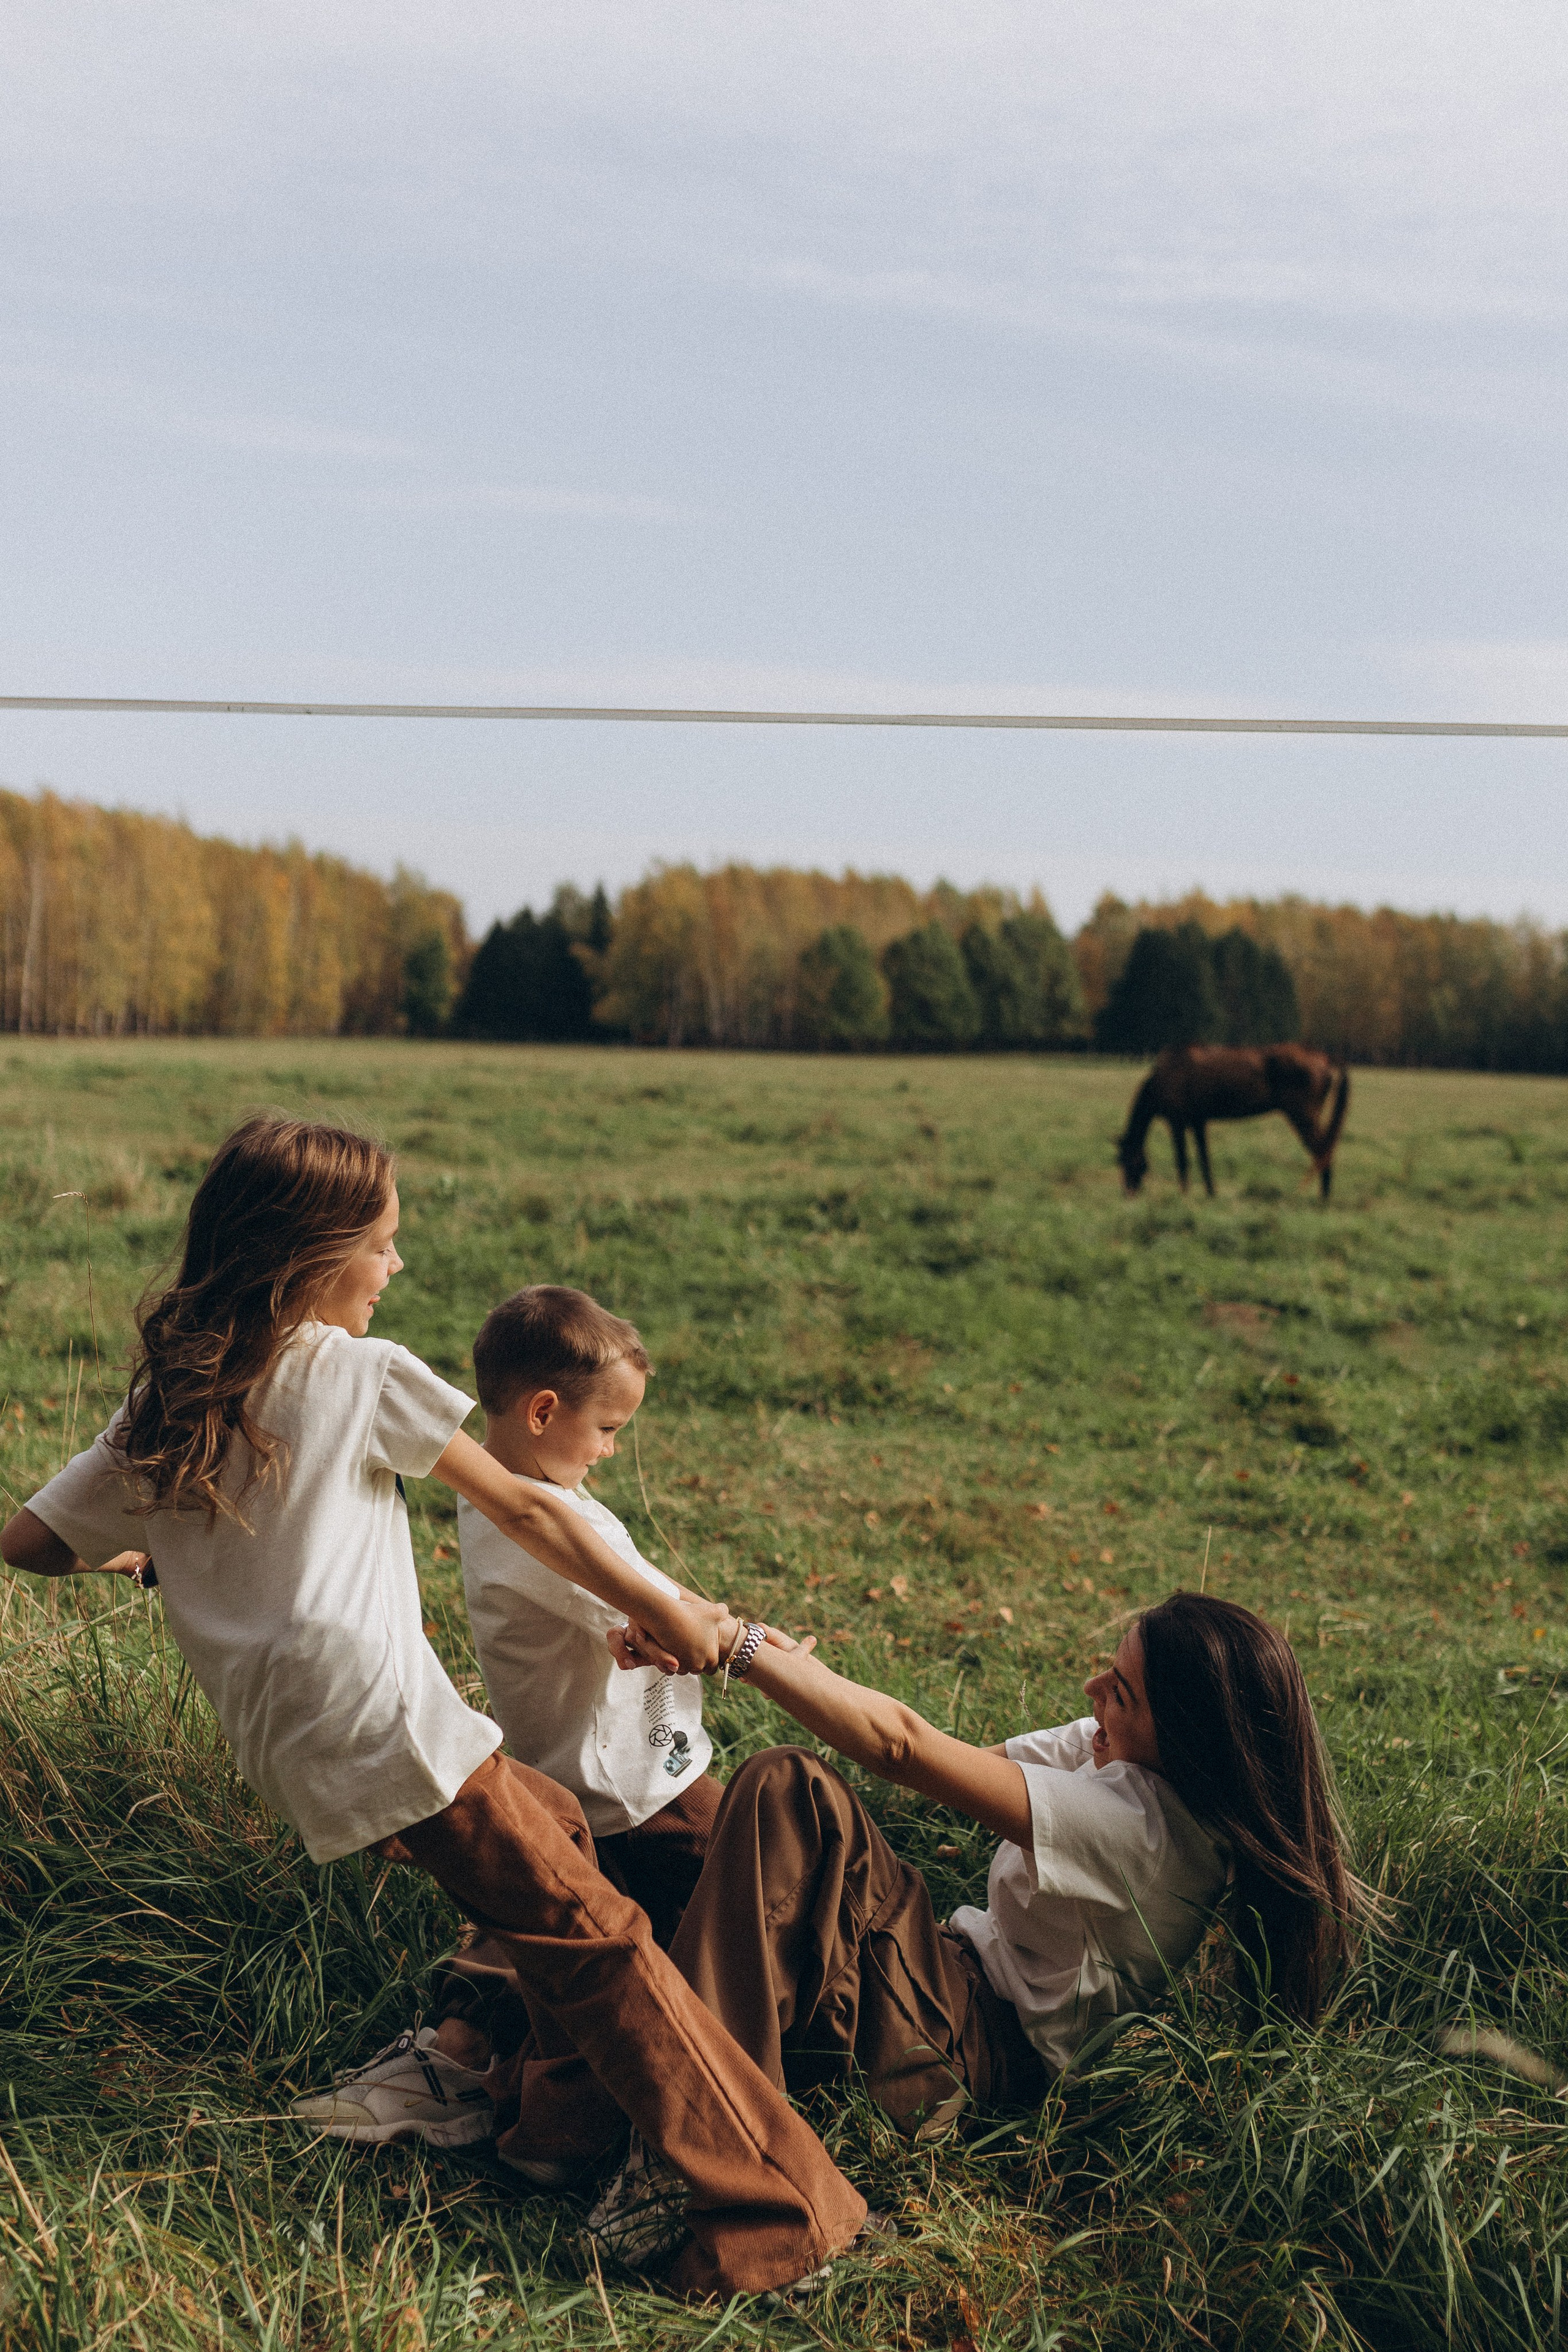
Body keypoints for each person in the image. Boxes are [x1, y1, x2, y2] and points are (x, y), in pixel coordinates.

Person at [0, 1115, 865, 2299]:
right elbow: (532, 1511)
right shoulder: (358, 1372)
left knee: (556, 1827)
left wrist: (159, 1561)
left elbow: (32, 1541)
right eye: (385, 1245)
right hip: (390, 1729)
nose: (397, 1270)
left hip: (298, 1746)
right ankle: (771, 2210)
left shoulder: (171, 1400)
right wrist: (689, 1615)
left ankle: (545, 2124)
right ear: (312, 1258)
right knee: (600, 1940)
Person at [582, 1590, 1362, 2258]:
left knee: (787, 1791)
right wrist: (794, 1663)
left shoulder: (1147, 1833)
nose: (1092, 1689)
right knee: (691, 1834)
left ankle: (696, 2160)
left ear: (1187, 1738)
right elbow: (936, 1756)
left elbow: (901, 1748)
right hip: (933, 1987)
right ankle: (564, 2058)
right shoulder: (1115, 1756)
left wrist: (742, 1650)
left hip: (963, 2058)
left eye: (1120, 1691)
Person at [295, 1283, 720, 2184]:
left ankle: (467, 2057)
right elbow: (657, 1608)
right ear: (542, 1411)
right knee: (728, 1890)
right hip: (634, 1791)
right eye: (607, 1430)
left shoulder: (525, 1505)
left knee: (554, 1932)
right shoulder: (534, 1519)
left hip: (606, 1771)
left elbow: (626, 1607)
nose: (609, 1451)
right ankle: (584, 2107)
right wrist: (734, 1630)